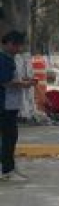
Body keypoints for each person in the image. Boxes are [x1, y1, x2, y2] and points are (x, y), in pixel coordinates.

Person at [0, 30, 37, 181]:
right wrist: (25, 84)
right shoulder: (3, 59)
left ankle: (9, 166)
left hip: (11, 104)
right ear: (8, 44)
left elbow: (14, 77)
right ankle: (7, 170)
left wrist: (26, 80)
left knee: (10, 137)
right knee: (9, 137)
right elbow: (6, 81)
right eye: (17, 46)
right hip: (5, 104)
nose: (19, 49)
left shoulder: (10, 58)